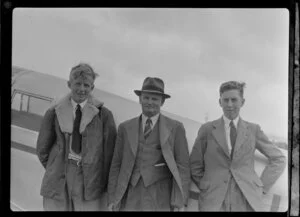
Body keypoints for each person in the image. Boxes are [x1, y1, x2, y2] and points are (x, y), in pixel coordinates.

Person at [189, 81, 286, 211]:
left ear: (242, 102)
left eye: (234, 100)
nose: (229, 105)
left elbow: (278, 158)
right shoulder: (207, 129)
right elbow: (194, 164)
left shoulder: (253, 130)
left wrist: (260, 187)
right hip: (213, 199)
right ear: (220, 102)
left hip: (246, 197)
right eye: (225, 100)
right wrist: (206, 185)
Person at [36, 63, 117, 211]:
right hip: (58, 177)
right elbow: (42, 148)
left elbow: (109, 155)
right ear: (69, 84)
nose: (81, 89)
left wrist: (101, 183)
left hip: (89, 180)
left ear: (92, 88)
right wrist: (55, 167)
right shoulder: (54, 112)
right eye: (77, 84)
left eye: (86, 85)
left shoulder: (104, 116)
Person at [107, 77, 190, 211]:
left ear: (162, 102)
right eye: (146, 98)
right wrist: (112, 199)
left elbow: (183, 167)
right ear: (140, 99)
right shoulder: (125, 127)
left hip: (161, 196)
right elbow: (116, 165)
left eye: (155, 99)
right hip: (130, 194)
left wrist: (181, 202)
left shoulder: (176, 128)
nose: (150, 102)